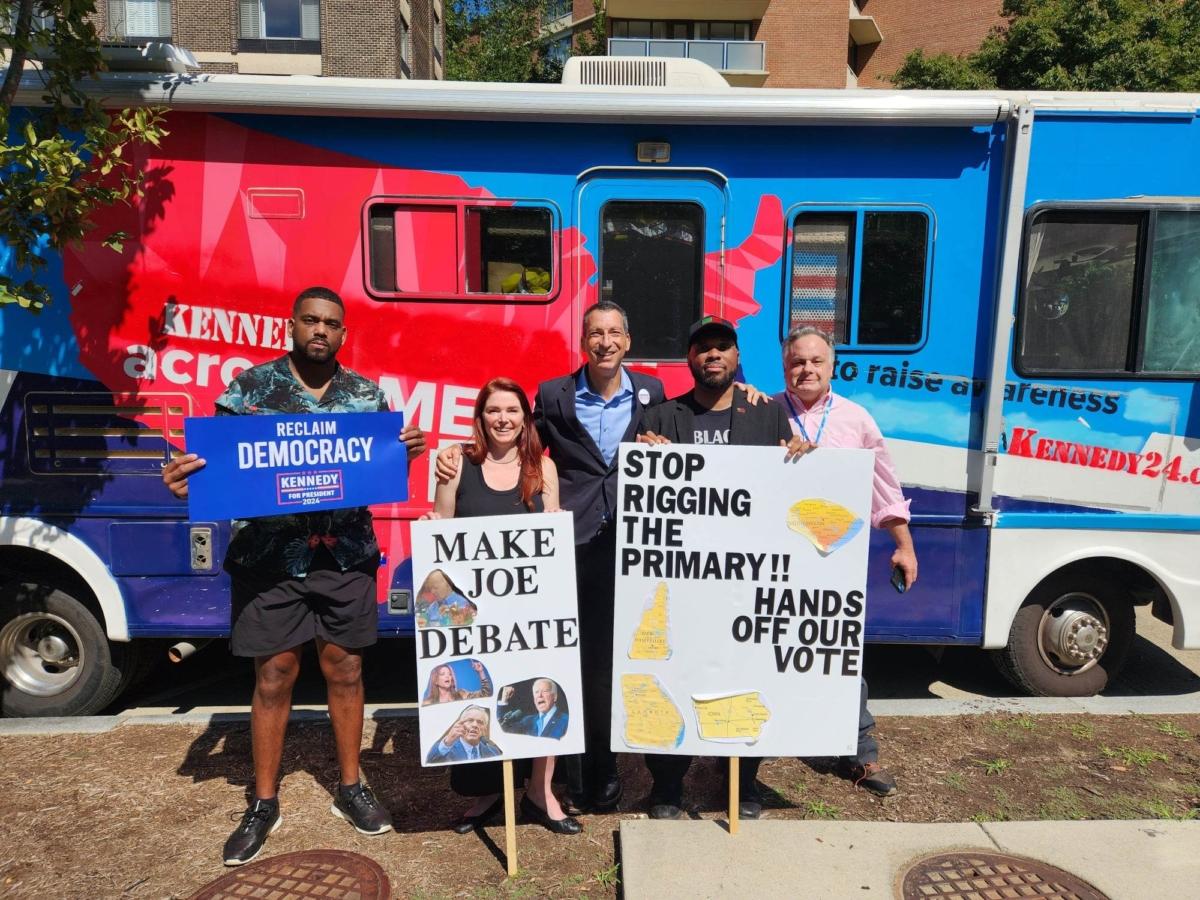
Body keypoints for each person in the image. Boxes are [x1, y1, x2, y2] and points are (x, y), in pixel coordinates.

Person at [161, 286, 426, 866]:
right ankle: (262, 801)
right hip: (270, 558)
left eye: (332, 323)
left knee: (346, 667)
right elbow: (215, 465)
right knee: (275, 675)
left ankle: (352, 787)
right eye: (311, 320)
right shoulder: (249, 391)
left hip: (343, 555)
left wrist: (403, 451)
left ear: (344, 333)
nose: (320, 331)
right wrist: (187, 480)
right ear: (293, 325)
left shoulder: (367, 396)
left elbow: (380, 464)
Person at [438, 301, 663, 815]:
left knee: (614, 662)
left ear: (627, 341)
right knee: (567, 661)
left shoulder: (652, 392)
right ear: (583, 341)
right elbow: (514, 441)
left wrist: (745, 391)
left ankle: (603, 771)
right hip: (572, 542)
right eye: (594, 333)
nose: (604, 342)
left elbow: (687, 422)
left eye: (614, 333)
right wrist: (456, 451)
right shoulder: (555, 393)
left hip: (634, 541)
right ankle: (571, 776)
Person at [637, 315, 809, 821]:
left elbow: (788, 494)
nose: (713, 355)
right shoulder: (662, 419)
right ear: (689, 359)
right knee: (671, 677)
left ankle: (741, 781)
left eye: (722, 348)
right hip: (678, 584)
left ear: (736, 358)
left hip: (746, 583)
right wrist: (644, 457)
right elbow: (640, 496)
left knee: (746, 679)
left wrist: (803, 457)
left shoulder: (767, 417)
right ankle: (667, 785)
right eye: (703, 348)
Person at [426, 377, 581, 836]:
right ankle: (487, 790)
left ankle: (540, 791)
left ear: (525, 418)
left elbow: (552, 531)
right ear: (480, 417)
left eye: (512, 410)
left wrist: (556, 523)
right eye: (493, 410)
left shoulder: (543, 468)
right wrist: (430, 525)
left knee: (540, 693)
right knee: (480, 695)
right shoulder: (457, 464)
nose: (503, 419)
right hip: (474, 616)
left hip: (532, 613)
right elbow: (443, 524)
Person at [773, 325, 919, 798]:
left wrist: (904, 544)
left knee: (841, 652)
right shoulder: (764, 412)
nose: (807, 369)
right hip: (772, 558)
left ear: (832, 366)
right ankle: (757, 744)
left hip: (836, 561)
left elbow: (884, 486)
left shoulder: (856, 420)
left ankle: (861, 753)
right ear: (785, 366)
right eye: (798, 361)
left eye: (816, 361)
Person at [426, 706, 503, 763]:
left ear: (485, 729)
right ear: (460, 724)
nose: (475, 725)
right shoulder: (446, 749)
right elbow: (430, 760)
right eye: (470, 720)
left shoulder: (493, 751)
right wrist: (448, 741)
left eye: (480, 722)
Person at [422, 660, 493, 706]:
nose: (447, 676)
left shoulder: (461, 694)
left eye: (450, 674)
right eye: (442, 674)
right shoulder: (428, 703)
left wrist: (480, 672)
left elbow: (486, 693)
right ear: (436, 681)